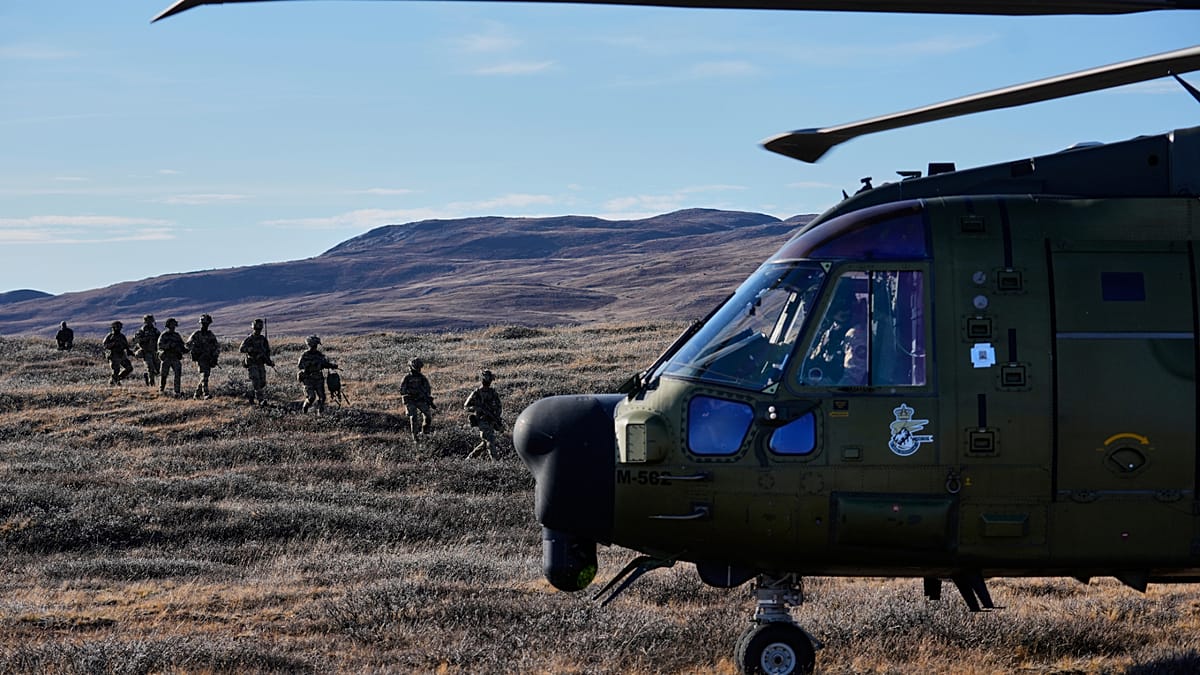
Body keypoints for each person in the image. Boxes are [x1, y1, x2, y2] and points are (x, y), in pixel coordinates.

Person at [465, 369, 503, 460]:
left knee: (485, 443)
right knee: (490, 440)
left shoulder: (492, 392)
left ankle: (469, 459)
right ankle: (495, 461)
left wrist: (496, 416)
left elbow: (499, 406)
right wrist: (477, 409)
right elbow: (466, 406)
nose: (489, 381)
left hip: (491, 420)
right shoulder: (477, 393)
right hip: (482, 421)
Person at [297, 335, 337, 414]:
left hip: (318, 379)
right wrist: (310, 365)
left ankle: (320, 414)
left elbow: (325, 363)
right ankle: (305, 408)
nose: (315, 347)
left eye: (316, 345)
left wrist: (332, 366)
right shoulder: (305, 355)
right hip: (308, 379)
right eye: (314, 345)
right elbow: (300, 366)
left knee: (322, 398)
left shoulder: (319, 355)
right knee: (311, 397)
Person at [239, 318, 274, 405]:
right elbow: (241, 349)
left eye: (259, 329)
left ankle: (250, 395)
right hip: (252, 363)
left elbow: (267, 351)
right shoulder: (249, 339)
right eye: (257, 329)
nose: (258, 331)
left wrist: (269, 361)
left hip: (260, 363)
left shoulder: (263, 339)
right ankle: (260, 400)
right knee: (256, 381)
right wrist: (250, 349)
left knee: (262, 382)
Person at [186, 313, 220, 399]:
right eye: (203, 323)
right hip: (200, 358)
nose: (204, 325)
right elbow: (188, 344)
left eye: (206, 324)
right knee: (204, 375)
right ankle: (206, 394)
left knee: (205, 376)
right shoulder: (196, 334)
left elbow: (216, 346)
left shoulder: (210, 335)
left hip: (209, 358)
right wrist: (195, 350)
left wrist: (215, 356)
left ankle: (197, 394)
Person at [400, 357, 435, 441]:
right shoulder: (407, 378)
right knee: (413, 417)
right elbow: (402, 390)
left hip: (420, 399)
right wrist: (410, 394)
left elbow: (427, 389)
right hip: (411, 400)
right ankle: (415, 437)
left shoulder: (422, 378)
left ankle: (425, 433)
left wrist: (427, 398)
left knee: (428, 416)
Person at [157, 317, 187, 397]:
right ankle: (161, 390)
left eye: (174, 324)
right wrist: (169, 345)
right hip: (166, 357)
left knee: (177, 374)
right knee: (164, 374)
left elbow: (182, 346)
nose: (173, 326)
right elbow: (160, 346)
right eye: (171, 324)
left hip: (175, 357)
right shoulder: (164, 335)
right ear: (168, 325)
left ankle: (177, 391)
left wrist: (186, 349)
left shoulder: (177, 335)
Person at [132, 314, 161, 386]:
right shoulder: (141, 331)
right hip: (146, 352)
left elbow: (160, 339)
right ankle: (152, 384)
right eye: (149, 321)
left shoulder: (155, 330)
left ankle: (146, 375)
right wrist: (145, 339)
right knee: (150, 368)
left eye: (151, 320)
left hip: (155, 352)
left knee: (158, 370)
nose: (150, 322)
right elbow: (135, 340)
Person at [102, 320, 134, 385]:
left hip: (122, 355)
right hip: (113, 355)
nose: (119, 328)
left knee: (129, 368)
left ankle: (117, 379)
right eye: (117, 327)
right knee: (116, 370)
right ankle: (113, 383)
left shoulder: (122, 336)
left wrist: (129, 351)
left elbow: (126, 345)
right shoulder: (110, 336)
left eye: (120, 327)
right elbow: (105, 345)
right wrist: (113, 344)